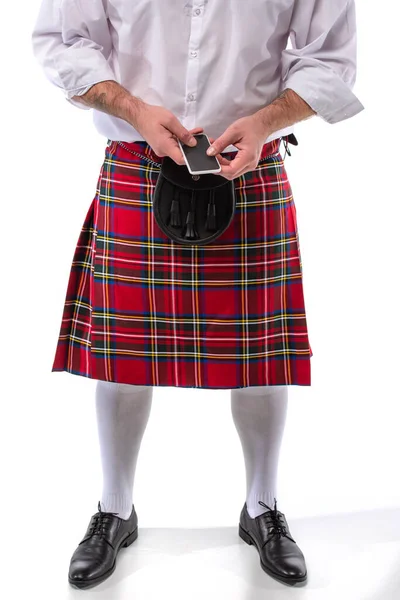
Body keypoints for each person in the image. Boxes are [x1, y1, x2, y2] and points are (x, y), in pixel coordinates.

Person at [31, 0, 364, 590]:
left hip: (248, 167)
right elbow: (63, 40)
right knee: (121, 355)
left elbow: (330, 57)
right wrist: (132, 108)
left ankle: (262, 506)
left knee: (262, 358)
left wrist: (265, 122)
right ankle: (116, 508)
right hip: (137, 162)